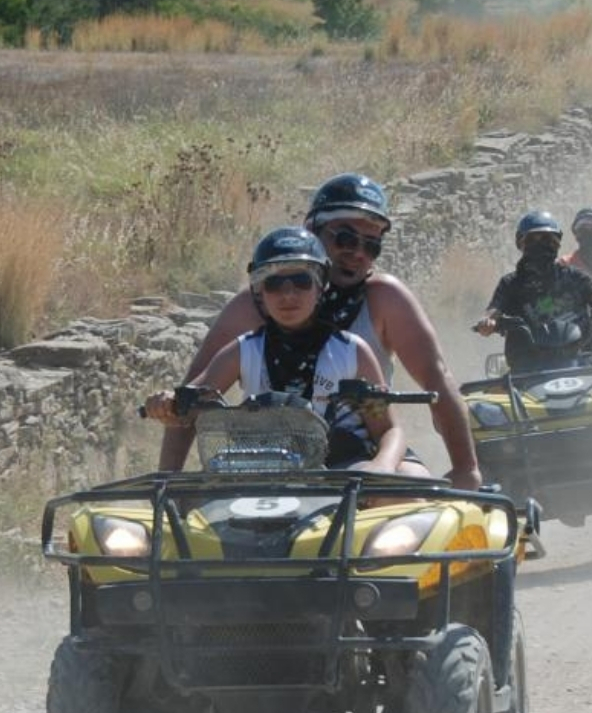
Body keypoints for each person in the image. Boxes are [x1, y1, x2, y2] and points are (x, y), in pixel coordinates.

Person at [158, 173, 482, 487]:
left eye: (372, 246)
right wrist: (167, 484)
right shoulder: (250, 313)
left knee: (413, 489)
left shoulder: (379, 309)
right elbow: (191, 396)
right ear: (312, 231)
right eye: (345, 238)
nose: (357, 252)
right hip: (265, 456)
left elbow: (434, 382)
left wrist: (466, 469)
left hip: (362, 451)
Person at [143, 227, 412, 473]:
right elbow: (190, 403)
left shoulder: (354, 352)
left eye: (301, 282)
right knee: (195, 505)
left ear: (321, 287)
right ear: (260, 291)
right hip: (261, 471)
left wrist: (382, 466)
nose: (288, 295)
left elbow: (388, 429)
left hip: (345, 474)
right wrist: (168, 404)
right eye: (274, 284)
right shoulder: (241, 351)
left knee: (395, 493)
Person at [473, 211, 592, 372]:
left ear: (557, 243)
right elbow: (494, 310)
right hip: (528, 366)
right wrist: (487, 322)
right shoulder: (511, 283)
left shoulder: (573, 276)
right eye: (533, 239)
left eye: (548, 239)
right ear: (520, 243)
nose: (541, 245)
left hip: (582, 358)